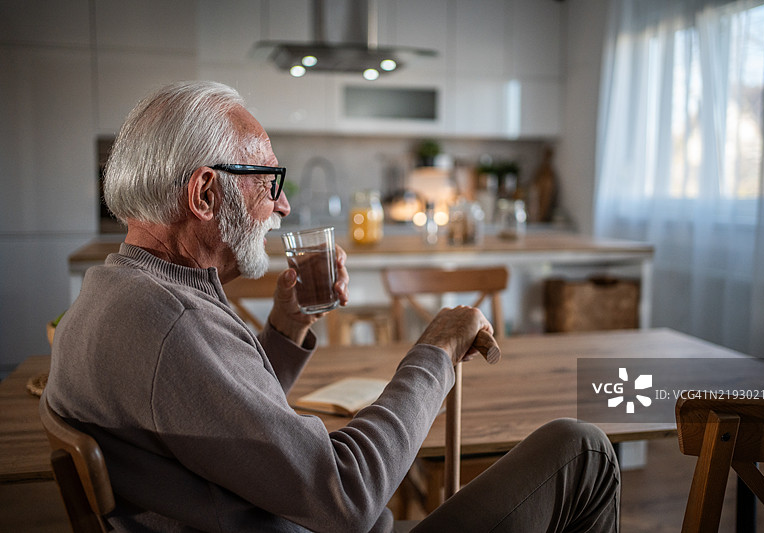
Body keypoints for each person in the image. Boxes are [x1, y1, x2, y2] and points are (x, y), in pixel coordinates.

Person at [46, 81, 619, 533]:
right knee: (585, 449)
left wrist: (286, 327)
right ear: (204, 194)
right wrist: (435, 351)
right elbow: (345, 496)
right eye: (269, 182)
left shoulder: (115, 294)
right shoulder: (169, 323)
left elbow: (221, 416)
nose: (283, 205)